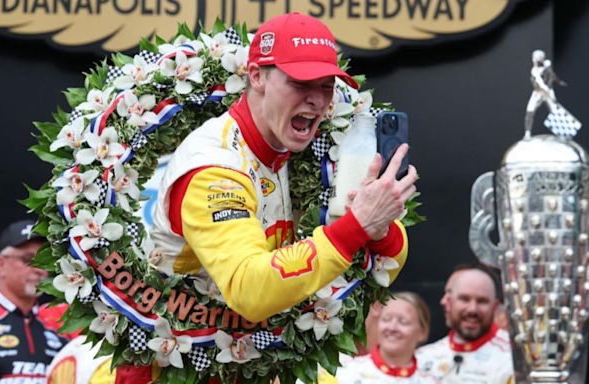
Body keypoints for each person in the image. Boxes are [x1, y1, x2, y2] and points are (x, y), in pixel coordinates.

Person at [117, 12, 417, 383]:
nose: (316, 101)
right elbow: (250, 290)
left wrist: (376, 226)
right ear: (256, 76)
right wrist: (357, 226)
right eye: (300, 83)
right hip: (177, 370)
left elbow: (388, 258)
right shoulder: (214, 166)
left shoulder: (309, 145)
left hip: (253, 366)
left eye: (326, 86)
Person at [0, 220, 68, 383]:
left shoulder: (62, 322)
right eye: (28, 259)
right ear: (1, 264)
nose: (38, 269)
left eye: (44, 261)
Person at [416, 268, 513, 383]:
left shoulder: (513, 358)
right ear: (449, 302)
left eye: (482, 301)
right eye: (464, 299)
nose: (472, 309)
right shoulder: (422, 357)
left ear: (495, 306)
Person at [323, 292, 438, 383]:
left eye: (403, 322)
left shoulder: (431, 381)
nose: (392, 328)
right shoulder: (344, 374)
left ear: (423, 332)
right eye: (386, 319)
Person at [524, 49, 566, 138]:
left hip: (548, 92)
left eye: (537, 59)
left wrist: (559, 82)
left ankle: (562, 132)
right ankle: (527, 133)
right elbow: (541, 84)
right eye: (535, 59)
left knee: (555, 111)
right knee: (530, 111)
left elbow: (552, 76)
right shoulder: (534, 71)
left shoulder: (547, 67)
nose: (535, 61)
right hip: (538, 93)